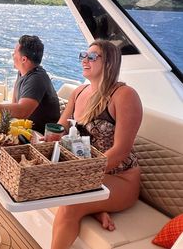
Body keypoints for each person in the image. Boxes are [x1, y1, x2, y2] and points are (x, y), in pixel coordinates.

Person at [51, 40, 142, 249]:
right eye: (84, 55)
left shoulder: (124, 96)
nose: (85, 59)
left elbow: (120, 151)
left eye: (92, 56)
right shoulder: (79, 92)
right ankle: (96, 207)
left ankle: (93, 204)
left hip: (120, 179)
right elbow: (60, 130)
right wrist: (46, 139)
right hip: (88, 172)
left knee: (70, 204)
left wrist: (84, 178)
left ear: (109, 63)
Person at [0, 35, 60, 172]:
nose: (12, 55)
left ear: (24, 59)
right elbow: (14, 105)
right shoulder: (22, 73)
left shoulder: (37, 79)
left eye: (15, 52)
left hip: (38, 138)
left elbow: (22, 111)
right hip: (21, 128)